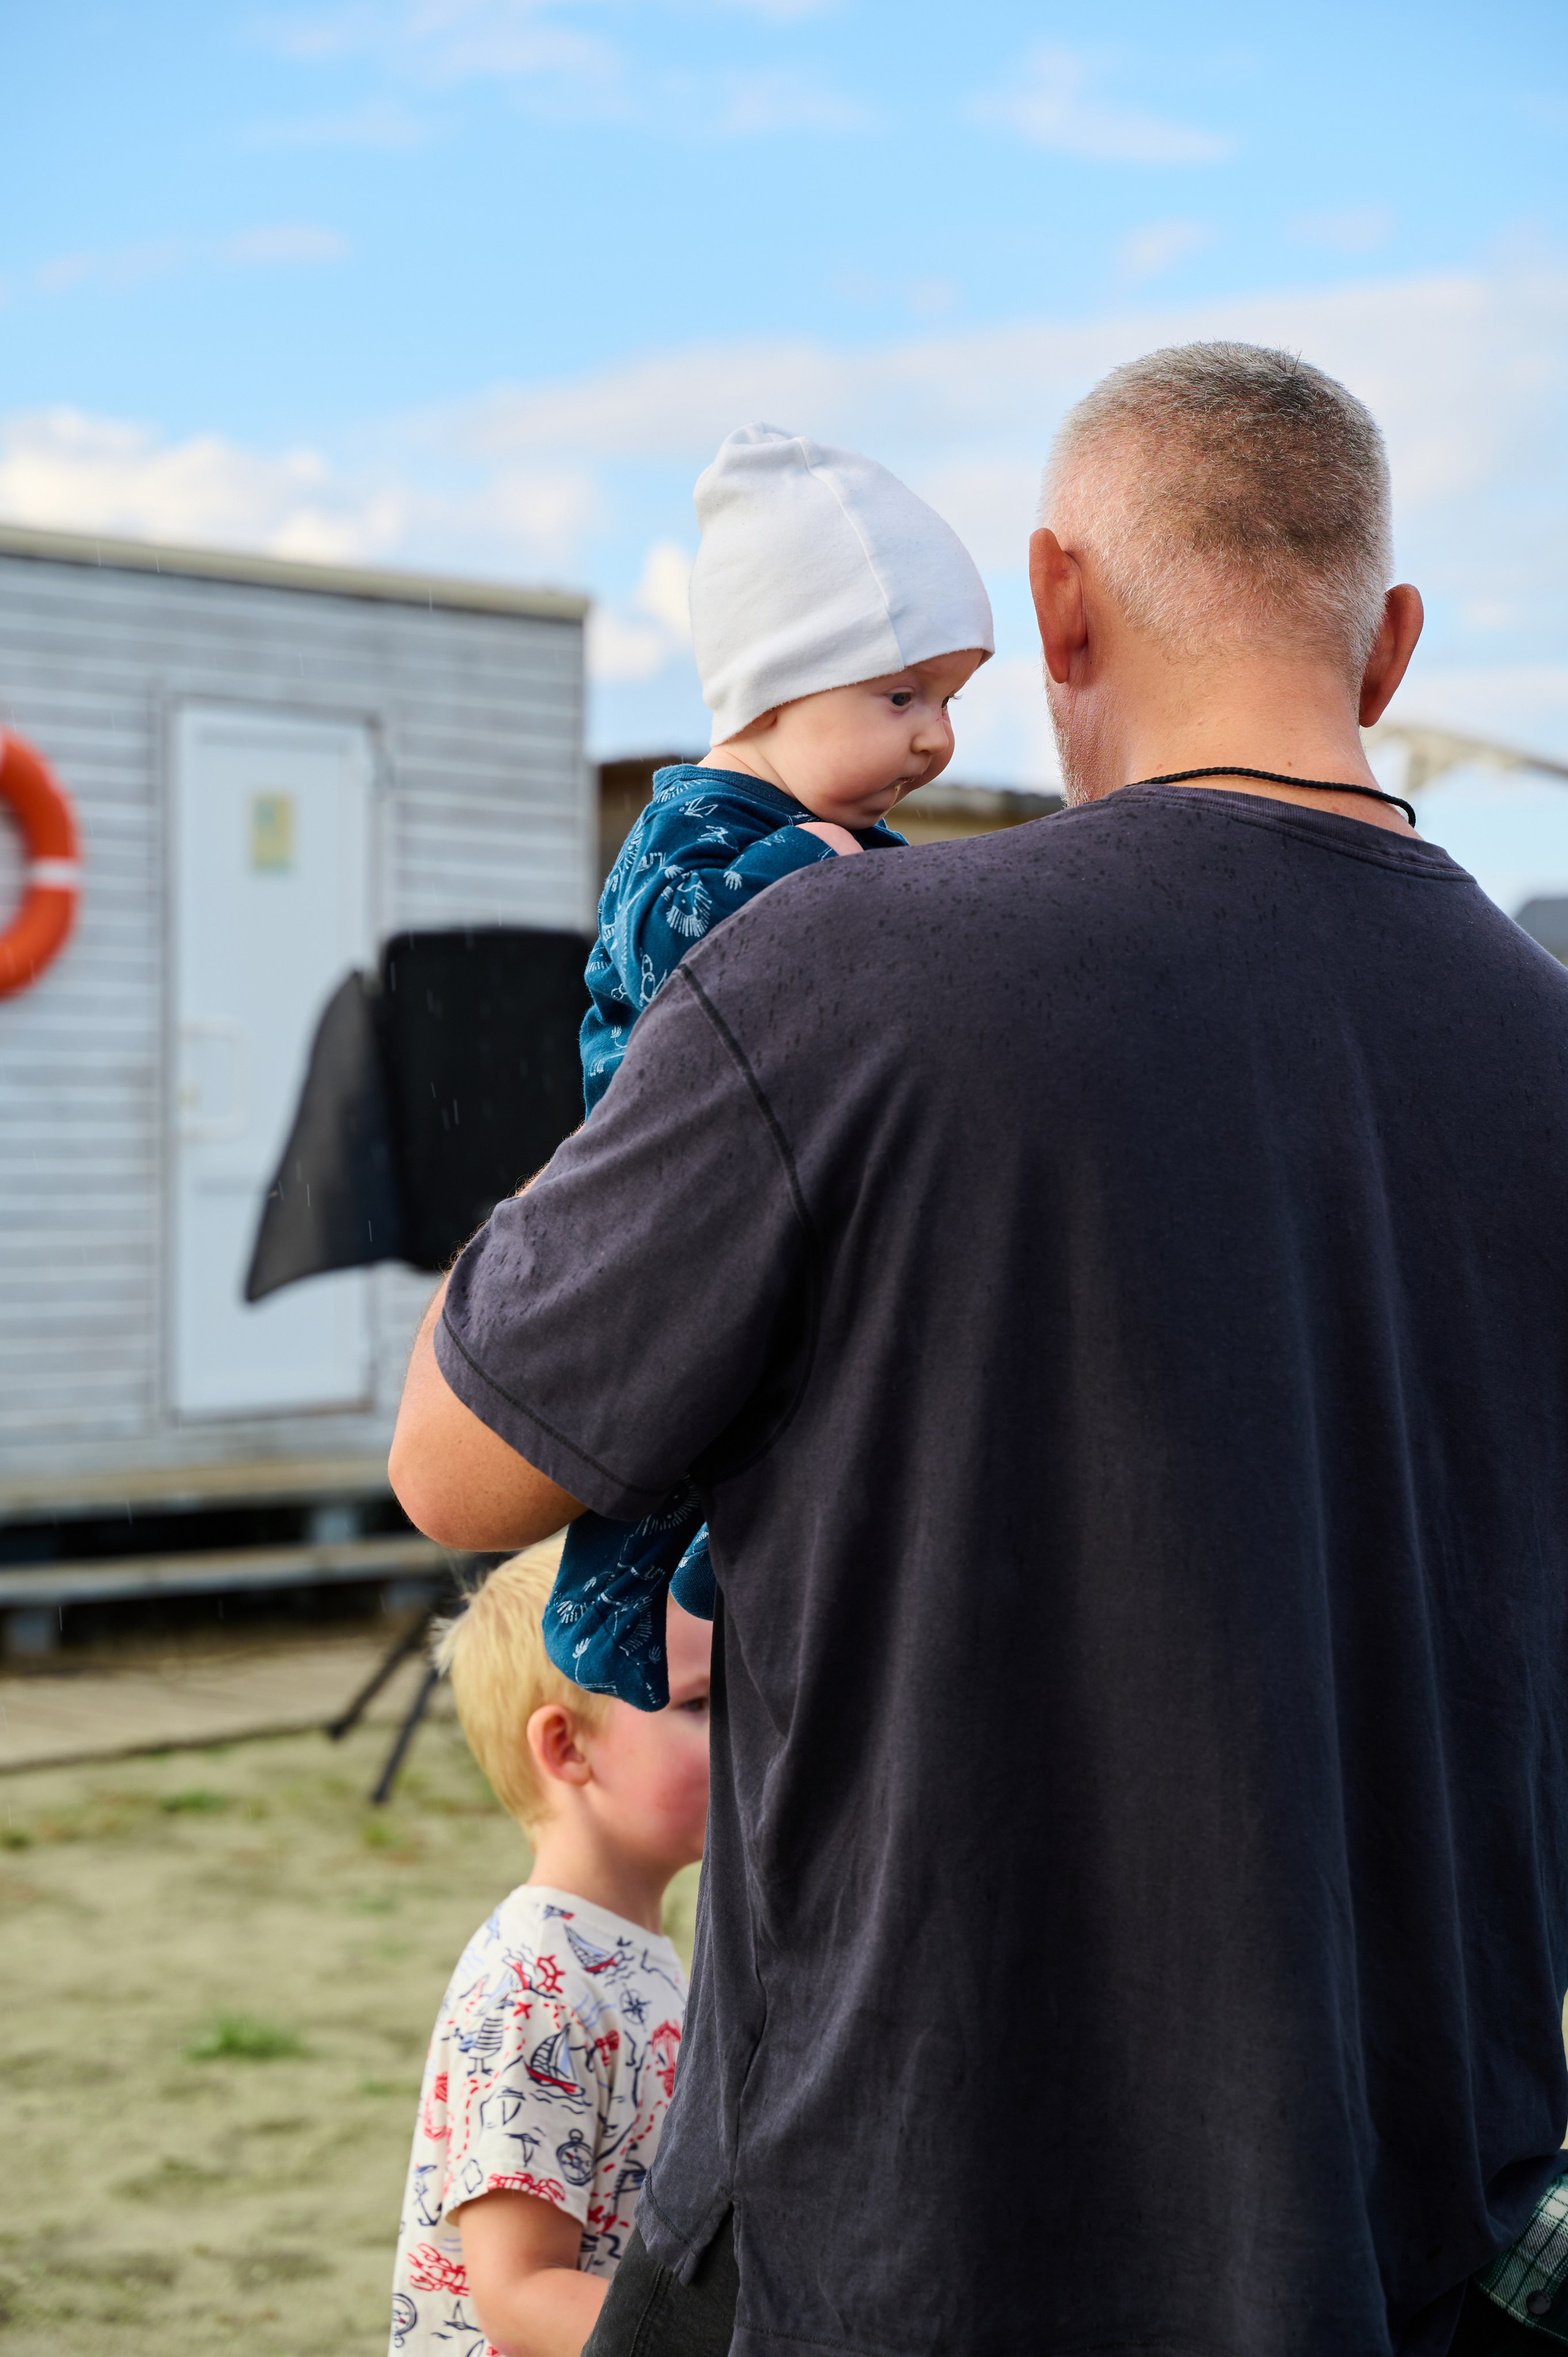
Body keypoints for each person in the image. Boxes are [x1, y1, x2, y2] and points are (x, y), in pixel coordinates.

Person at [390, 341, 1568, 2357]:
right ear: (1388, 646)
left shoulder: (832, 971)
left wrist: (641, 1075)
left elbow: (458, 1465)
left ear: (1057, 605)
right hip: (1416, 2232)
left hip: (905, 2227)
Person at [552, 421, 992, 1709]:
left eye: (949, 702)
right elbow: (669, 951)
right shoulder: (694, 826)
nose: (936, 741)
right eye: (902, 698)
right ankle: (610, 1606)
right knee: (673, 1405)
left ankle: (723, 1563)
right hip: (671, 1178)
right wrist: (802, 871)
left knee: (797, 1385)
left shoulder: (851, 842)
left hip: (789, 1177)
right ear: (776, 693)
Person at [387, 1540, 711, 2357]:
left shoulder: (623, 1950)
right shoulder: (537, 1987)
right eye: (702, 1705)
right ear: (568, 1748)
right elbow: (520, 2295)